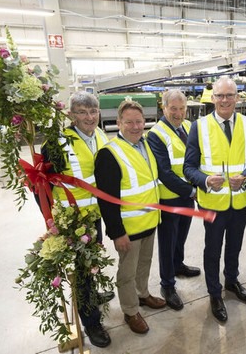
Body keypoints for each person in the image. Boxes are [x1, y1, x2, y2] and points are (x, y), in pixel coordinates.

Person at [183, 75, 246, 323]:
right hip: (213, 204)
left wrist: (245, 177)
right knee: (213, 249)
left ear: (237, 97)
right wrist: (205, 180)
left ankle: (232, 280)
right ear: (212, 98)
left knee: (235, 245)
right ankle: (214, 293)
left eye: (229, 95)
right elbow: (188, 168)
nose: (224, 100)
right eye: (220, 95)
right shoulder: (199, 126)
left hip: (241, 201)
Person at [40, 91, 112, 348]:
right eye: (82, 112)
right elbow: (43, 186)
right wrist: (51, 220)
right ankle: (91, 323)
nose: (89, 117)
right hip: (72, 220)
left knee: (93, 263)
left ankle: (93, 295)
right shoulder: (56, 144)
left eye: (93, 112)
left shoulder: (101, 135)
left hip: (95, 215)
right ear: (71, 115)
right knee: (81, 272)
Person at [95, 100, 166, 336]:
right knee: (127, 272)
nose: (135, 127)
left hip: (150, 221)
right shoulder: (110, 154)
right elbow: (106, 200)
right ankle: (130, 310)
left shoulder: (145, 145)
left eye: (139, 121)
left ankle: (143, 294)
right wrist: (117, 233)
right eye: (129, 122)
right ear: (118, 123)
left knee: (144, 264)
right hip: (128, 229)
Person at [147, 89, 201, 311]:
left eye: (182, 108)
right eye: (173, 109)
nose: (178, 113)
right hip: (169, 198)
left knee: (181, 236)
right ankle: (167, 285)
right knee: (168, 243)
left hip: (187, 196)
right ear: (163, 108)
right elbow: (164, 172)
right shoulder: (156, 134)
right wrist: (192, 191)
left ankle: (178, 265)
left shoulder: (188, 126)